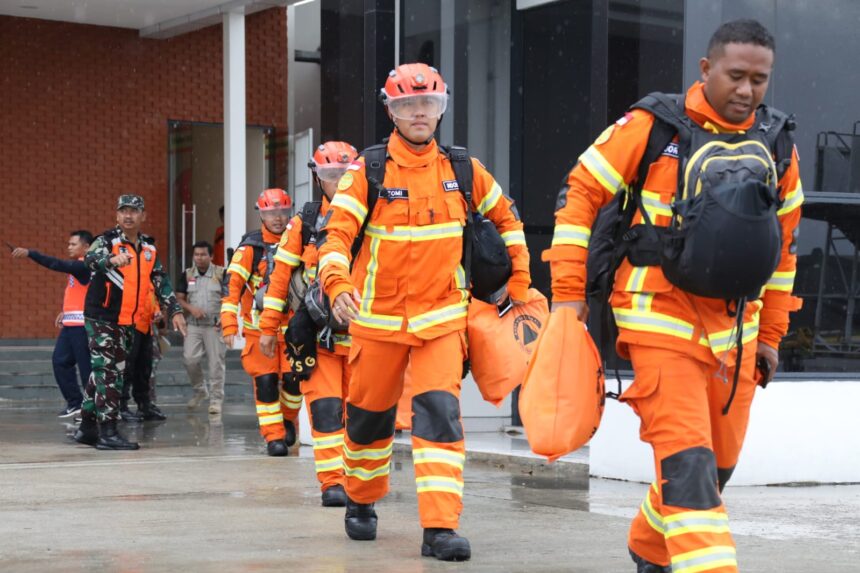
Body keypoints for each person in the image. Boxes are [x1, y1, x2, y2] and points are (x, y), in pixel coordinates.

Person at [545, 20, 802, 572]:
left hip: (737, 333)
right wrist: (568, 297)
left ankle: (647, 546)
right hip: (658, 320)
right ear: (706, 70)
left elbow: (784, 257)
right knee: (687, 464)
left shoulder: (779, 145)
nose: (746, 91)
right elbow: (580, 194)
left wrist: (773, 337)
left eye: (759, 80)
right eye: (735, 76)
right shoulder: (653, 127)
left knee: (717, 469)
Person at [317, 62, 530, 561]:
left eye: (427, 104)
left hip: (441, 323)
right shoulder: (366, 171)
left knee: (440, 419)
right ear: (391, 111)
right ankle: (363, 500)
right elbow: (336, 236)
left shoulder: (464, 170)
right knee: (368, 423)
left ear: (440, 109)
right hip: (375, 323)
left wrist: (517, 282)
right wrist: (336, 282)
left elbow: (509, 218)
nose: (418, 113)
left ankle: (440, 527)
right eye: (407, 105)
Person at [258, 140, 359, 507]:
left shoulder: (376, 214)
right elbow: (280, 277)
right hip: (318, 334)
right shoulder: (306, 221)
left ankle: (358, 482)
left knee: (361, 413)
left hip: (366, 335)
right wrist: (269, 328)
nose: (339, 182)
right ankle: (332, 483)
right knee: (325, 408)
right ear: (318, 178)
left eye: (347, 175)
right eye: (331, 175)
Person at [73, 194, 186, 450]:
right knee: (109, 373)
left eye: (134, 211)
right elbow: (90, 260)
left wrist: (175, 310)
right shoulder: (107, 241)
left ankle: (87, 427)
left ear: (143, 216)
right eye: (123, 210)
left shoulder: (148, 248)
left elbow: (161, 281)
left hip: (129, 321)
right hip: (102, 316)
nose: (128, 215)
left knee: (103, 371)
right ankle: (107, 432)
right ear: (116, 215)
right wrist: (110, 261)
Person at [220, 189, 302, 456]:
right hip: (258, 330)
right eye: (270, 213)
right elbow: (232, 286)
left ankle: (288, 418)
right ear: (261, 214)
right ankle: (273, 437)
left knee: (294, 380)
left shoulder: (300, 241)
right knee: (266, 383)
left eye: (282, 212)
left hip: (292, 329)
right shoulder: (250, 248)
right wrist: (229, 322)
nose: (277, 218)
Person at [10, 231, 94, 417]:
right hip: (70, 325)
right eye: (69, 244)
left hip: (82, 327)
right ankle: (75, 403)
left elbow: (56, 264)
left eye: (73, 244)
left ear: (87, 247)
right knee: (60, 362)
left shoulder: (85, 265)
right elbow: (80, 294)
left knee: (86, 368)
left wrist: (31, 253)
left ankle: (92, 409)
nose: (69, 247)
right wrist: (65, 311)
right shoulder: (78, 267)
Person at [177, 240, 227, 415]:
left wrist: (226, 318)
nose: (199, 258)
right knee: (189, 359)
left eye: (203, 254)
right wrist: (191, 309)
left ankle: (215, 400)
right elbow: (179, 298)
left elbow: (230, 297)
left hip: (215, 325)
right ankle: (200, 390)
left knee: (216, 364)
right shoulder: (187, 274)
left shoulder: (221, 274)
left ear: (211, 256)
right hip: (194, 325)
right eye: (196, 255)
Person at [119, 292, 168, 422]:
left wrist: (156, 312)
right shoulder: (128, 273)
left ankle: (144, 405)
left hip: (146, 325)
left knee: (144, 368)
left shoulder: (147, 275)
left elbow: (150, 295)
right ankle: (121, 406)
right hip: (129, 323)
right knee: (127, 368)